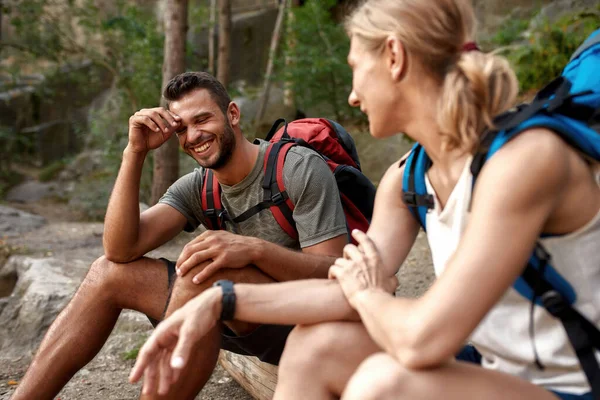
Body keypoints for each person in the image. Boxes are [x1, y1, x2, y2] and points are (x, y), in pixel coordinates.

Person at [128, 0, 600, 399]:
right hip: (491, 372)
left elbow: (418, 339)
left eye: (356, 68)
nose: (352, 96)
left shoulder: (525, 161)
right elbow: (341, 291)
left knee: (383, 381)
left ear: (393, 56)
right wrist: (221, 302)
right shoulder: (408, 178)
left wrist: (366, 293)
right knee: (316, 344)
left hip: (575, 385)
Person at [11, 71, 349, 400]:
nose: (194, 135)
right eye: (182, 128)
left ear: (233, 114)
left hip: (302, 323)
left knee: (203, 273)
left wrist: (254, 250)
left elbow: (334, 275)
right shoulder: (198, 185)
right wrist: (135, 152)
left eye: (202, 119)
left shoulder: (297, 168)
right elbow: (120, 249)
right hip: (233, 319)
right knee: (106, 273)